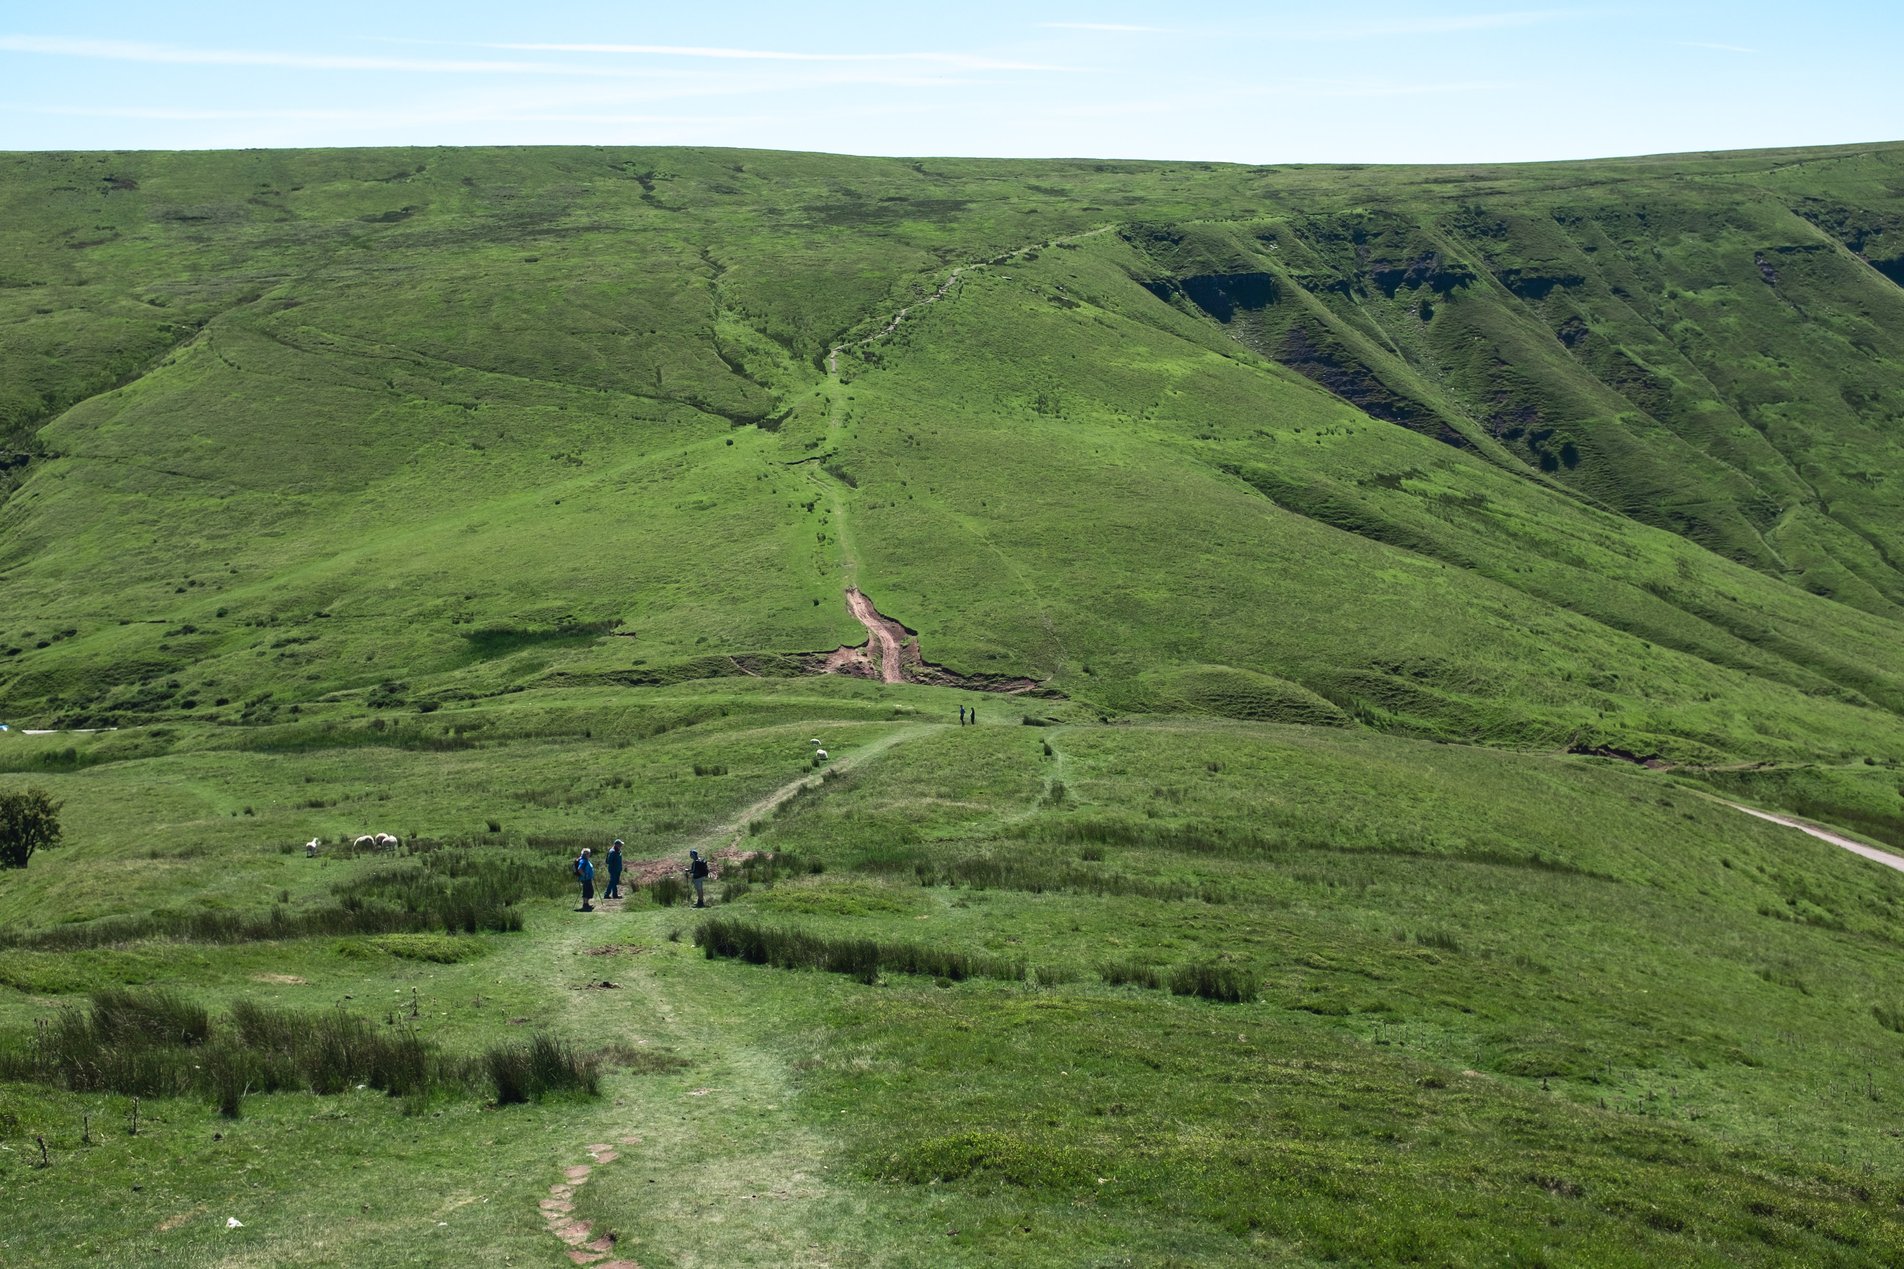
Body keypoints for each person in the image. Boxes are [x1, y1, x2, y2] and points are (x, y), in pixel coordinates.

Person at [575, 847, 596, 912]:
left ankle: (586, 904)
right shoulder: (583, 861)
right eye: (588, 853)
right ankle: (585, 905)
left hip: (588, 878)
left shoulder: (585, 860)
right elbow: (579, 869)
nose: (589, 854)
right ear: (586, 854)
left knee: (589, 891)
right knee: (586, 891)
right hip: (585, 879)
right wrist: (585, 875)